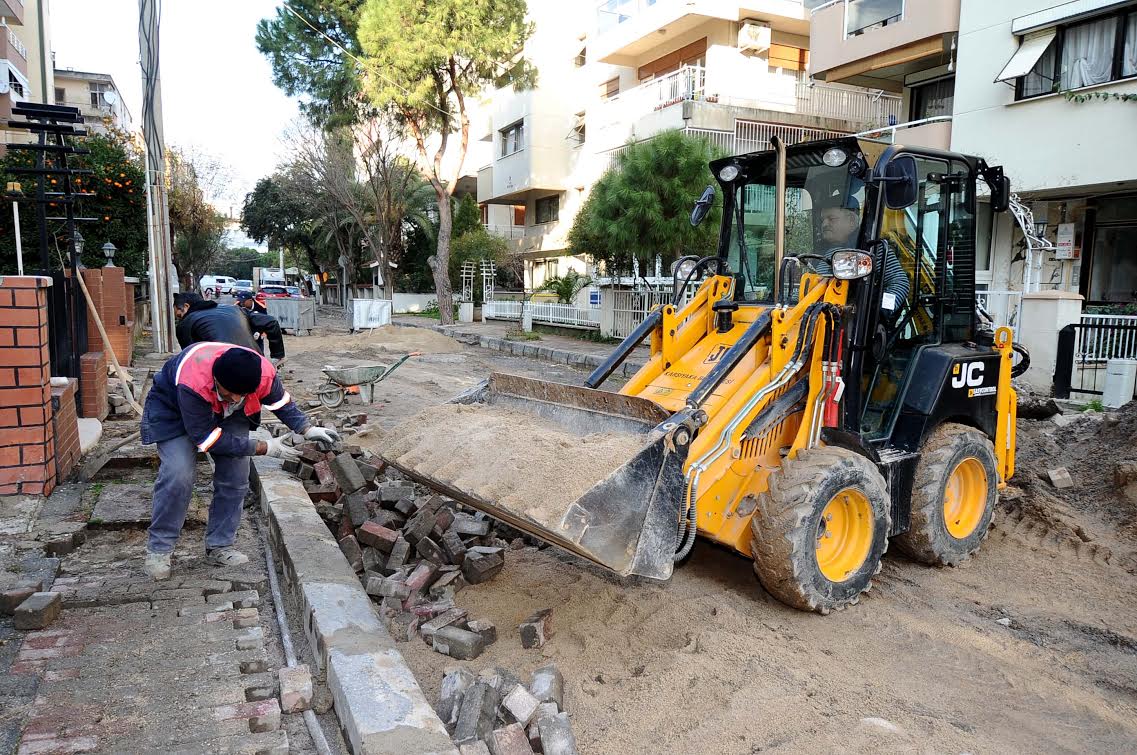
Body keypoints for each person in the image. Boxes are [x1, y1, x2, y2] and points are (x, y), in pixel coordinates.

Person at [140, 342, 338, 580]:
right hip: (174, 410)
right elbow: (206, 440)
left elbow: (279, 403)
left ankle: (220, 546)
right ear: (216, 378)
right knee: (178, 474)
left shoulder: (262, 374)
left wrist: (305, 428)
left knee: (235, 477)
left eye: (241, 394)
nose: (234, 397)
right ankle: (159, 550)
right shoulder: (193, 380)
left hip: (230, 415)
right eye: (228, 392)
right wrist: (264, 447)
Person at [812, 197, 910, 315]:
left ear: (852, 221)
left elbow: (900, 282)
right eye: (823, 220)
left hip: (855, 324)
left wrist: (881, 310)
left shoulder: (872, 249)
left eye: (831, 219)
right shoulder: (821, 251)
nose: (824, 224)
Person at [174, 292, 285, 362]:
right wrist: (277, 356)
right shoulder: (236, 309)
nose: (180, 319)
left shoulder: (185, 324)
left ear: (186, 306)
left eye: (179, 315)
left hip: (224, 374)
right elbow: (271, 322)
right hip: (258, 366)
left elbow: (190, 359)